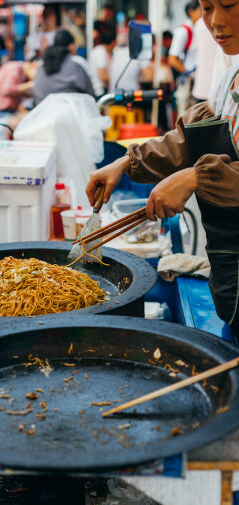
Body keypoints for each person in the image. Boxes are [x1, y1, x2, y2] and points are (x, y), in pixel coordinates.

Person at [86, 0, 239, 343]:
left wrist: (195, 178)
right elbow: (189, 137)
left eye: (229, 5)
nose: (215, 21)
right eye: (207, 7)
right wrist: (127, 161)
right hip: (231, 278)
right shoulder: (231, 78)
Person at [32, 29, 94, 106]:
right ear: (71, 46)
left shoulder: (42, 63)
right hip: (70, 114)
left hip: (42, 111)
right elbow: (90, 94)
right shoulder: (77, 62)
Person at [168, 0, 202, 116]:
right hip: (188, 82)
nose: (203, 13)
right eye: (201, 9)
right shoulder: (183, 31)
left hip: (196, 80)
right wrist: (188, 72)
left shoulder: (197, 29)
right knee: (186, 116)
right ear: (191, 12)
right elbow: (172, 59)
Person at [88, 29, 116, 97]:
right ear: (113, 42)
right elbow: (103, 76)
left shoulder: (98, 50)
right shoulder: (101, 53)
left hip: (95, 90)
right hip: (100, 91)